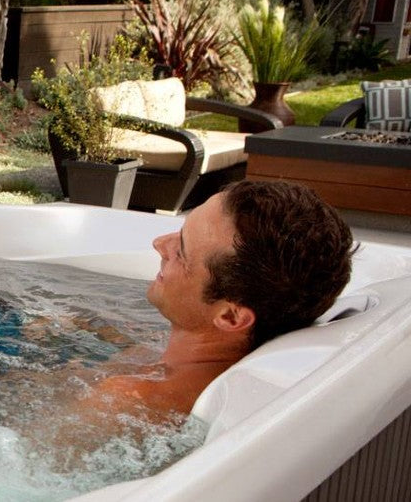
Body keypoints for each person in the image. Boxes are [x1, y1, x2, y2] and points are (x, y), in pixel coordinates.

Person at [77, 180, 357, 423]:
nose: (160, 243)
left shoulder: (126, 401)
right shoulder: (204, 377)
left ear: (230, 317)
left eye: (181, 252)